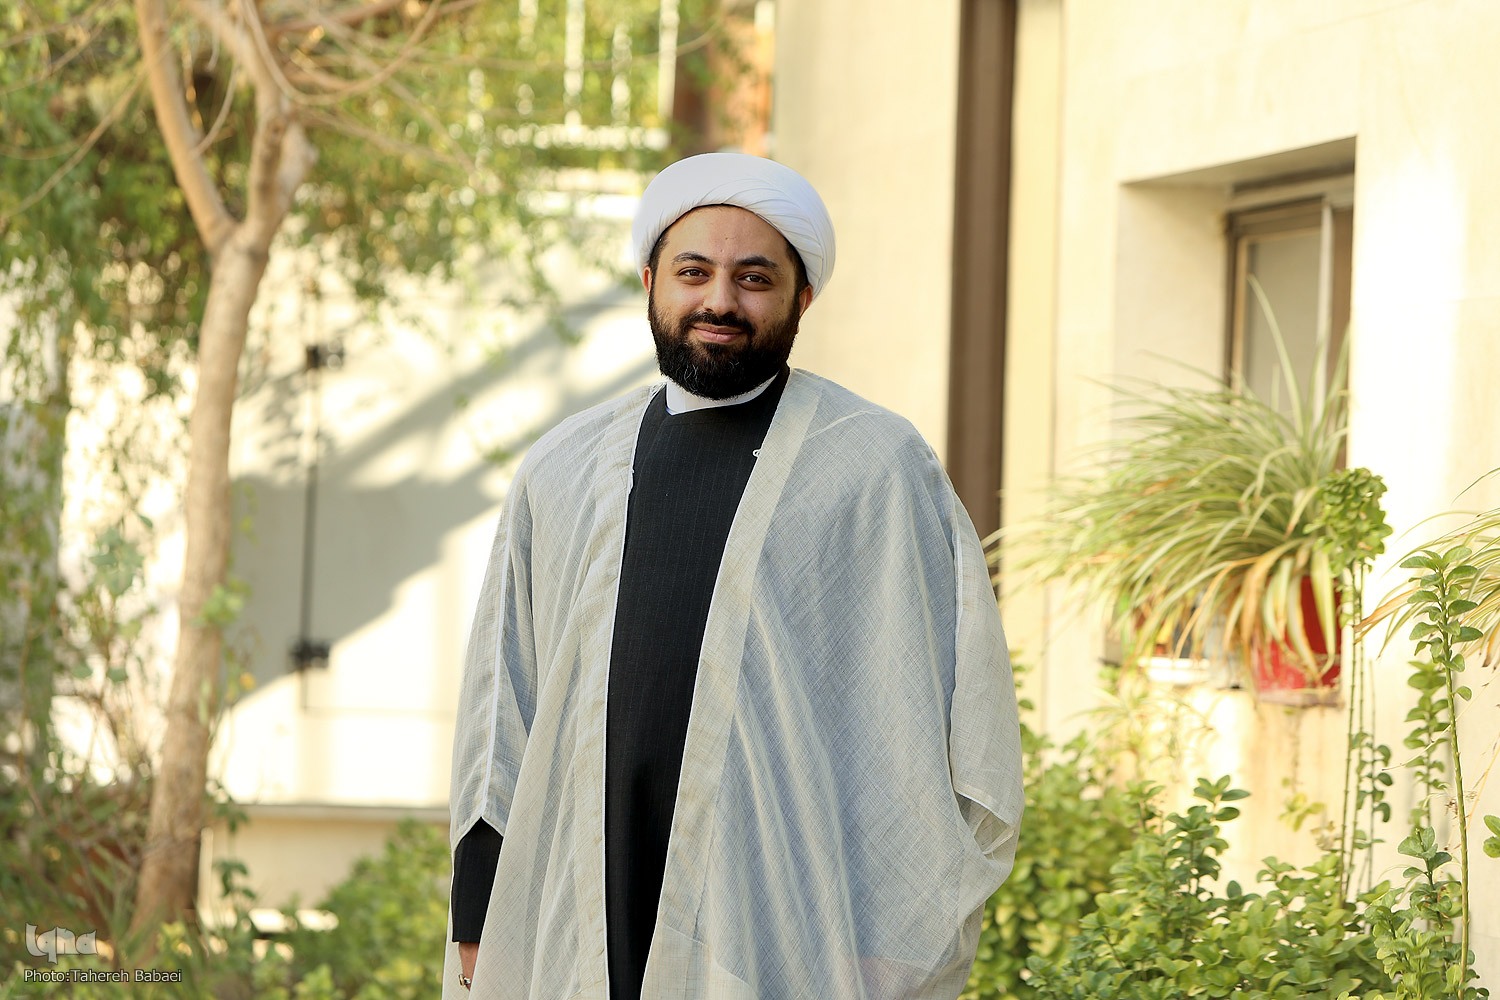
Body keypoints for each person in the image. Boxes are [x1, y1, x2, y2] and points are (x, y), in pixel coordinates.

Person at [443, 152, 1023, 1000]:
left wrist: (890, 944)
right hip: (579, 892)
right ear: (651, 282)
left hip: (789, 919)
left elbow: (914, 718)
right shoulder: (562, 469)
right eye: (694, 272)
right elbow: (503, 704)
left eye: (754, 278)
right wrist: (478, 917)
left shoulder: (871, 467)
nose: (720, 301)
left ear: (801, 299)